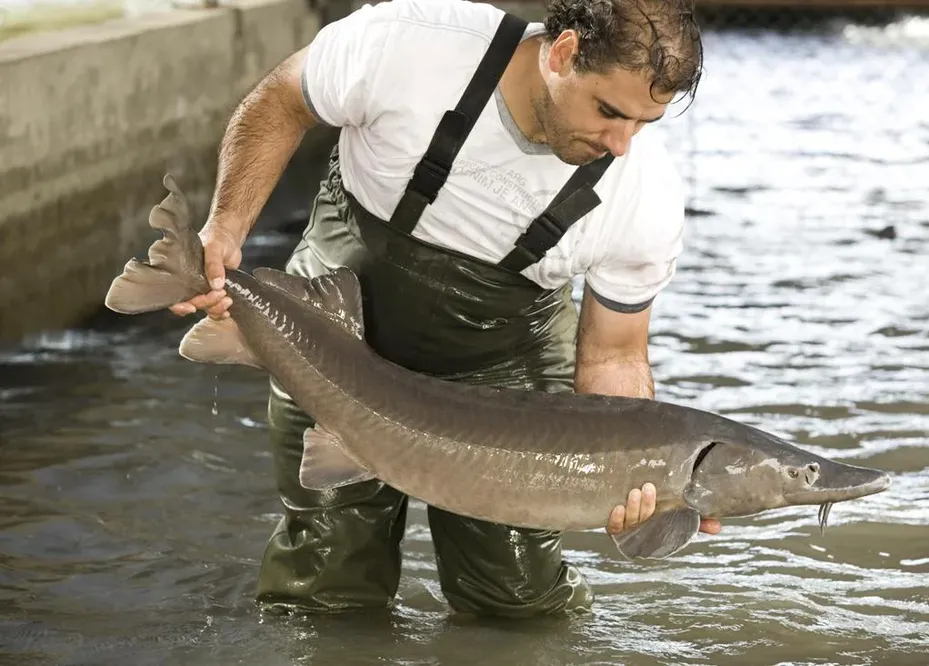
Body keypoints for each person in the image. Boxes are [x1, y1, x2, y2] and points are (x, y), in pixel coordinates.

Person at [169, 0, 721, 617]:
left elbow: (614, 355)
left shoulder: (645, 193)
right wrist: (225, 229)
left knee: (517, 603)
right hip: (334, 335)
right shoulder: (410, 43)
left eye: (645, 122)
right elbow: (282, 99)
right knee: (326, 584)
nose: (621, 145)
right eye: (609, 112)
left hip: (504, 367)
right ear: (563, 54)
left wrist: (639, 475)